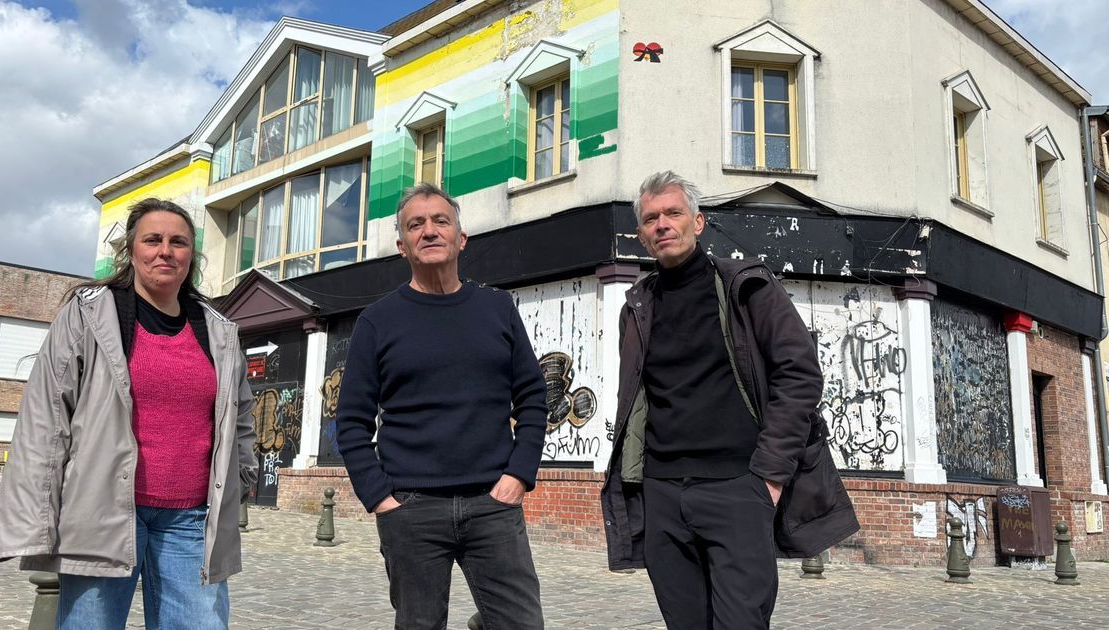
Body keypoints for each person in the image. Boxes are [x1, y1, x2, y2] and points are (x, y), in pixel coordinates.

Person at [601, 171, 860, 629]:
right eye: (651, 218)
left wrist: (769, 479)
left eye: (673, 213)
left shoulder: (747, 286)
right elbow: (637, 401)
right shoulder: (637, 306)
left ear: (698, 223)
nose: (662, 224)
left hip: (738, 487)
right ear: (641, 235)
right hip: (662, 491)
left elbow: (799, 375)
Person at [0, 198, 258, 629]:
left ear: (192, 255)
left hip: (191, 521)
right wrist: (39, 519)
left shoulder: (218, 329)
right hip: (104, 510)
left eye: (179, 242)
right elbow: (46, 419)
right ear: (132, 250)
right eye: (152, 240)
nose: (165, 251)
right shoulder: (89, 313)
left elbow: (241, 412)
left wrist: (241, 475)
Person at [335, 182, 549, 630]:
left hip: (493, 500)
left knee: (520, 623)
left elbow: (532, 397)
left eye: (440, 222)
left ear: (461, 238)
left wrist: (518, 475)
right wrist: (379, 498)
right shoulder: (377, 321)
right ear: (402, 245)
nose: (429, 231)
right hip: (411, 508)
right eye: (416, 225)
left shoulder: (497, 309)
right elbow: (352, 423)